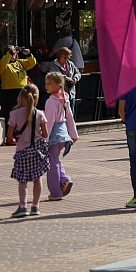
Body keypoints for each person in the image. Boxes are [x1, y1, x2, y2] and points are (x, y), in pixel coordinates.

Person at [6, 84, 49, 217]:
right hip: (38, 149)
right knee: (37, 178)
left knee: (22, 180)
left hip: (22, 150)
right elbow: (45, 134)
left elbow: (9, 135)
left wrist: (17, 137)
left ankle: (23, 206)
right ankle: (35, 206)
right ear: (36, 98)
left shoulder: (14, 114)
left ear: (22, 98)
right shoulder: (40, 114)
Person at [43, 72, 77, 201]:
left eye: (49, 84)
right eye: (46, 83)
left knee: (52, 164)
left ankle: (55, 192)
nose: (46, 86)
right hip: (64, 135)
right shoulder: (65, 98)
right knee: (55, 160)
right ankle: (64, 180)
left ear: (58, 85)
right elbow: (70, 117)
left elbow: (49, 122)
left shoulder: (51, 101)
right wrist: (73, 134)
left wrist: (45, 139)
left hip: (53, 136)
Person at [0, 45, 37, 116]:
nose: (13, 55)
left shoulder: (20, 62)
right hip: (9, 92)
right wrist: (11, 53)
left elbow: (32, 63)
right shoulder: (3, 63)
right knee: (10, 113)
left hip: (22, 91)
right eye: (10, 53)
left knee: (23, 112)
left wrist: (28, 54)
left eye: (14, 53)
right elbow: (3, 62)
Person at [49, 47, 81, 115]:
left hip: (71, 94)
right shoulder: (54, 65)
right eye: (65, 57)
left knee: (71, 115)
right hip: (60, 95)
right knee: (61, 115)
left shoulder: (70, 64)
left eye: (68, 57)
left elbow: (78, 73)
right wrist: (65, 78)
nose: (66, 59)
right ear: (59, 56)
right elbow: (53, 76)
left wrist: (75, 79)